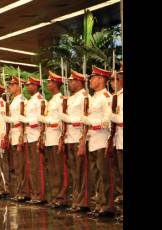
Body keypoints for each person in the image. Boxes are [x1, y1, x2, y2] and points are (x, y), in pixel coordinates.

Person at [82, 66, 114, 218]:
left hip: (102, 140)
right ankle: (100, 204)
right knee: (95, 174)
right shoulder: (93, 97)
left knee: (104, 174)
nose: (90, 80)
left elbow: (107, 121)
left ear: (101, 79)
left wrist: (91, 122)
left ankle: (107, 206)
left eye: (93, 78)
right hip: (93, 140)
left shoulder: (106, 96)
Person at [59, 69, 91, 213]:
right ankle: (76, 200)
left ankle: (83, 202)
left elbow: (84, 120)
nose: (69, 83)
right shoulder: (71, 98)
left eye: (72, 81)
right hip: (69, 138)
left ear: (79, 82)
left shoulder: (84, 97)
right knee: (74, 172)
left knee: (81, 171)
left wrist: (69, 119)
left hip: (79, 137)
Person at [38, 71, 65, 207]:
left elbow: (61, 121)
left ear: (56, 84)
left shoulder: (61, 100)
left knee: (59, 169)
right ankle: (55, 197)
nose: (48, 84)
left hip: (56, 137)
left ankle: (61, 198)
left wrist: (46, 120)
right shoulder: (51, 100)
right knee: (52, 169)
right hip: (49, 138)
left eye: (50, 82)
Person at [21, 76, 47, 204]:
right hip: (29, 136)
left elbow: (41, 118)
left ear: (36, 86)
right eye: (26, 85)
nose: (27, 87)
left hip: (36, 135)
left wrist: (28, 122)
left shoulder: (39, 100)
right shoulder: (31, 100)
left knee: (38, 167)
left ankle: (40, 195)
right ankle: (34, 194)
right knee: (32, 167)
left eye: (29, 85)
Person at [3, 76, 29, 202]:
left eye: (13, 85)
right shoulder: (14, 100)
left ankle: (23, 192)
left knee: (21, 165)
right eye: (10, 85)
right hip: (13, 133)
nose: (10, 87)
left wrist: (20, 137)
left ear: (19, 86)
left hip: (19, 132)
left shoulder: (22, 100)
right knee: (16, 166)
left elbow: (21, 119)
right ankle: (19, 190)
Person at [110, 64, 123, 222]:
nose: (115, 81)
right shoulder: (116, 96)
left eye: (117, 78)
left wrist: (114, 117)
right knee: (120, 174)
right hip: (119, 140)